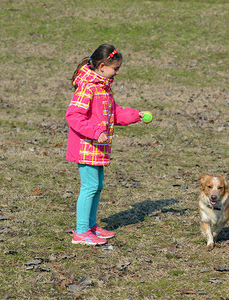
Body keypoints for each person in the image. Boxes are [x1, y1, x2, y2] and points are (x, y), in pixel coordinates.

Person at [66, 44, 149, 245]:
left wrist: (134, 115)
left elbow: (114, 113)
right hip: (86, 146)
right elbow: (74, 116)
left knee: (97, 185)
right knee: (90, 186)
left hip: (97, 147)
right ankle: (81, 231)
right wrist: (96, 132)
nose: (117, 72)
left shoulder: (103, 88)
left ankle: (91, 226)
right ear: (102, 66)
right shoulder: (87, 87)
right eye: (115, 68)